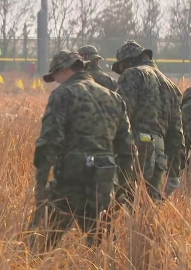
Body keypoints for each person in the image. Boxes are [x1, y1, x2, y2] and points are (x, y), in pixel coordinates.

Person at [31, 50, 135, 250]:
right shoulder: (114, 98)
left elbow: (49, 142)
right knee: (101, 248)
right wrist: (123, 189)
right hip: (104, 181)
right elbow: (127, 150)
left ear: (66, 69)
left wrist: (40, 187)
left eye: (56, 77)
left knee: (38, 242)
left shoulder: (63, 94)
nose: (57, 82)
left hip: (71, 179)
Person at [112, 40, 184, 202]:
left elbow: (120, 113)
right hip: (158, 153)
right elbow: (176, 134)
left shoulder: (133, 74)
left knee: (122, 200)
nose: (122, 71)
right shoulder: (171, 86)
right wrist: (173, 173)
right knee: (150, 207)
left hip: (135, 149)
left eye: (121, 66)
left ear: (129, 61)